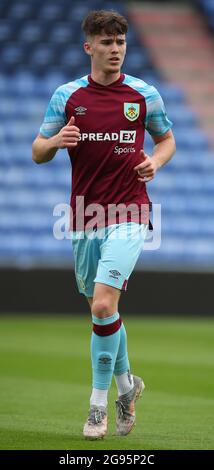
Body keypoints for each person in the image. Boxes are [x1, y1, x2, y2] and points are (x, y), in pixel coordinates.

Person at [32, 10, 176, 440]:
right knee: (105, 310)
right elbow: (38, 150)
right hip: (84, 216)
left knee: (101, 305)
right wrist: (57, 141)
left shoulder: (143, 94)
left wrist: (156, 161)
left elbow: (166, 139)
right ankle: (128, 385)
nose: (115, 50)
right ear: (89, 47)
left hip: (131, 211)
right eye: (107, 42)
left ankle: (98, 408)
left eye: (121, 42)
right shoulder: (67, 96)